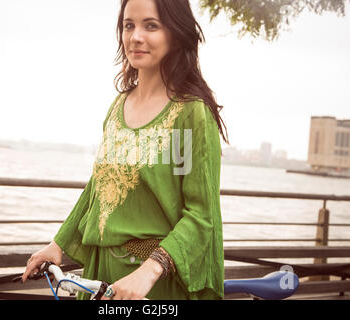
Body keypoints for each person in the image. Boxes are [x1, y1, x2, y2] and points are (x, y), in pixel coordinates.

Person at [22, 0, 229, 300]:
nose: (135, 36)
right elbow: (98, 188)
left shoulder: (190, 114)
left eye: (151, 26)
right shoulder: (119, 106)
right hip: (100, 275)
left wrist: (149, 271)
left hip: (152, 284)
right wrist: (59, 244)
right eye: (129, 25)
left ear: (175, 32)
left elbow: (201, 215)